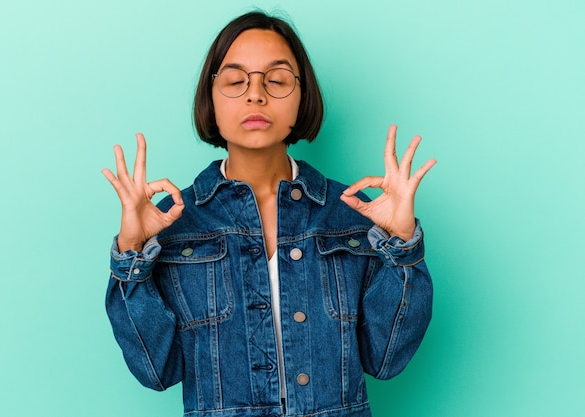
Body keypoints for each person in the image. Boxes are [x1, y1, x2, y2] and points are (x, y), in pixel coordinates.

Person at [103, 11, 436, 417]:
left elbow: (385, 360)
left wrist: (402, 244)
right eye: (235, 80)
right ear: (211, 97)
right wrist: (132, 253)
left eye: (276, 80)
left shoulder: (351, 215)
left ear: (302, 96)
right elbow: (156, 371)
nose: (255, 94)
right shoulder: (175, 223)